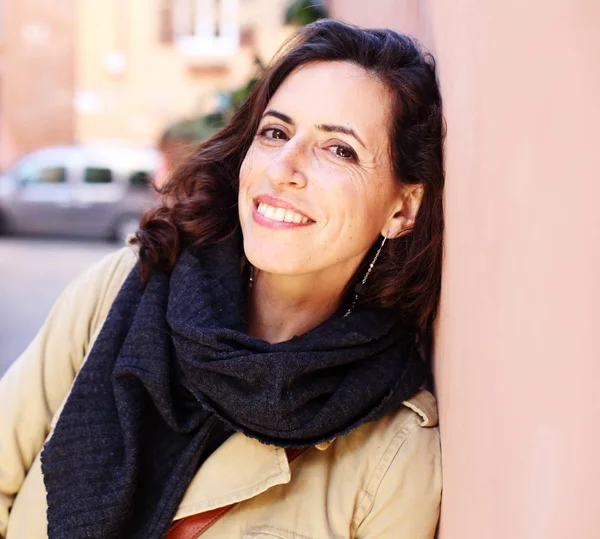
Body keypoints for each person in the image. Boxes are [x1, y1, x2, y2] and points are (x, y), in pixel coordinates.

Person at [0, 19, 445, 539]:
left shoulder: (393, 454)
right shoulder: (123, 289)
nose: (283, 168)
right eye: (275, 132)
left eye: (338, 149)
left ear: (403, 206)